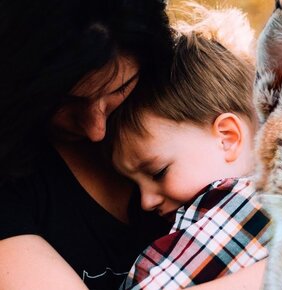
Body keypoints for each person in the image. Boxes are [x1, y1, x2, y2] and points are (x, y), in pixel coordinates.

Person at [0, 0, 175, 288]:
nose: (96, 130)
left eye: (120, 88)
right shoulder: (12, 183)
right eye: (65, 102)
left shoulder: (188, 113)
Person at [108, 4, 271, 289]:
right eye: (135, 185)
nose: (146, 202)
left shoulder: (243, 203)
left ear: (227, 138)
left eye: (158, 172)